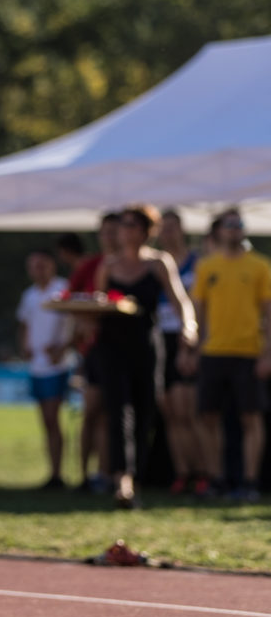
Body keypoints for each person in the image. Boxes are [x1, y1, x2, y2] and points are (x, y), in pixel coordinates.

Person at [95, 205, 197, 508]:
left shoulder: (159, 263)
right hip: (112, 349)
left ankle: (135, 477)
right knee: (118, 412)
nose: (124, 230)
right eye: (123, 225)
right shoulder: (108, 266)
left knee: (144, 412)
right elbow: (97, 308)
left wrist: (188, 327)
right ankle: (122, 480)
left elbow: (181, 301)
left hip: (147, 347)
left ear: (144, 231)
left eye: (131, 225)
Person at [189, 208, 271, 502]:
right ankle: (217, 479)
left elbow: (269, 312)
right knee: (207, 417)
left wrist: (267, 354)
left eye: (239, 224)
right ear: (219, 231)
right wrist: (195, 347)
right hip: (213, 352)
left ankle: (249, 482)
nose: (234, 229)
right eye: (229, 225)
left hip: (248, 352)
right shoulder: (206, 267)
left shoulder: (260, 266)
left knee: (251, 418)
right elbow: (198, 310)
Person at [63, 214, 120, 493]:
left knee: (111, 416)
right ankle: (85, 475)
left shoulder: (129, 265)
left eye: (114, 232)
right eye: (104, 232)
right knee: (91, 412)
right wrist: (84, 319)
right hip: (94, 350)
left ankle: (107, 474)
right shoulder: (90, 265)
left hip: (121, 350)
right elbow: (67, 299)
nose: (109, 238)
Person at [154, 208, 204, 495]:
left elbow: (198, 306)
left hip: (187, 338)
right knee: (171, 413)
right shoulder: (156, 263)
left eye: (173, 227)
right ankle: (182, 473)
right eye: (164, 227)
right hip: (161, 337)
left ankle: (203, 472)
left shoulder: (197, 262)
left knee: (190, 411)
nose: (168, 232)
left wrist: (193, 344)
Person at [17, 250, 74, 488]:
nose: (38, 270)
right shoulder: (29, 295)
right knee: (47, 421)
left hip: (58, 365)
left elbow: (74, 321)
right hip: (37, 365)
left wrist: (63, 348)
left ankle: (58, 472)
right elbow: (24, 323)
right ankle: (54, 472)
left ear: (51, 265)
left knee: (53, 417)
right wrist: (25, 346)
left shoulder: (64, 288)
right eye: (33, 266)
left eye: (42, 265)